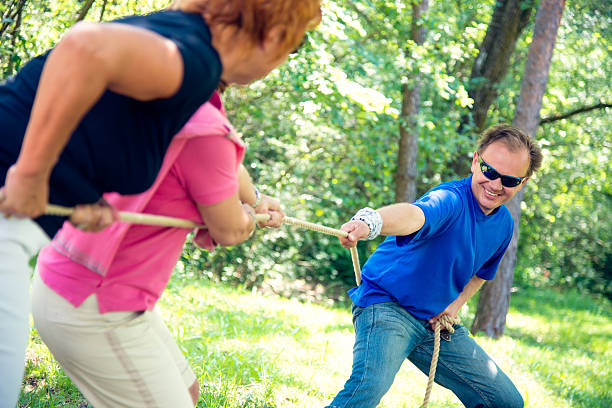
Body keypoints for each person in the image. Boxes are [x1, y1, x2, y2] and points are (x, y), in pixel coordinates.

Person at [0, 1, 321, 405]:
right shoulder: (195, 60)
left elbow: (101, 129)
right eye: (291, 46)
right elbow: (85, 45)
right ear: (273, 36)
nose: (281, 62)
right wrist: (31, 173)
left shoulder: (186, 60)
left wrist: (85, 194)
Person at [31, 92, 284, 407]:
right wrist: (247, 217)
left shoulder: (188, 96)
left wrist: (256, 199)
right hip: (93, 301)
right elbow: (231, 228)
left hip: (89, 286)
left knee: (187, 390)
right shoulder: (199, 120)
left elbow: (224, 161)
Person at [327, 124, 543, 408]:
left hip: (434, 324)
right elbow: (416, 215)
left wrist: (455, 305)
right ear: (476, 161)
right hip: (388, 306)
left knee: (505, 401)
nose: (495, 185)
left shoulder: (504, 225)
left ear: (523, 183)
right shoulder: (451, 199)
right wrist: (371, 222)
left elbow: (481, 274)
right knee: (368, 387)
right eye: (489, 171)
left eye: (509, 180)